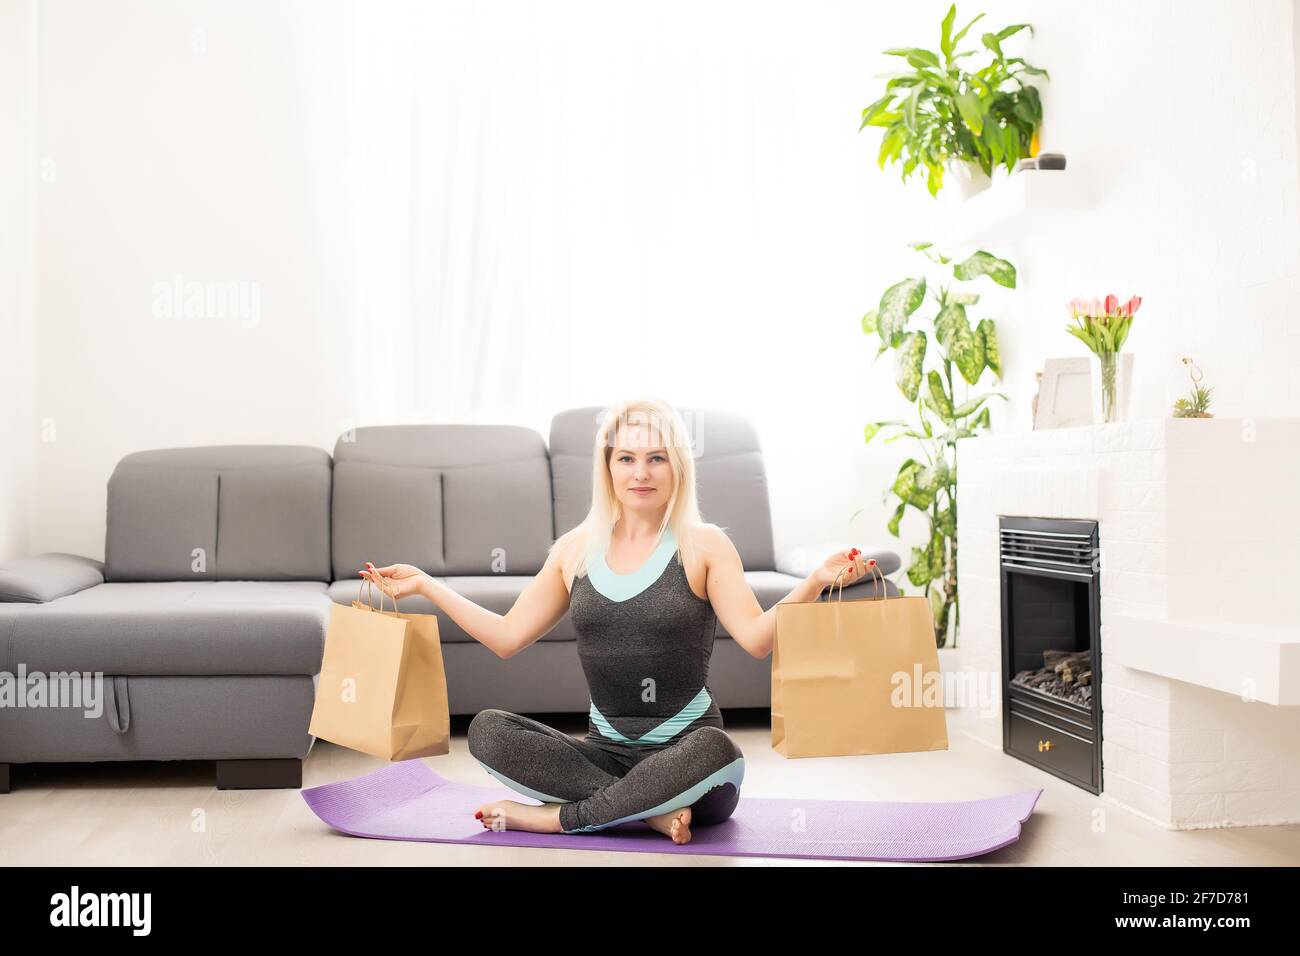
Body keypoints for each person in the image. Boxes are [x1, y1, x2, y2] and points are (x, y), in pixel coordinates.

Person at [362, 398, 874, 844]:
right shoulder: (575, 552)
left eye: (656, 458)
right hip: (603, 757)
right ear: (607, 468)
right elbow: (506, 636)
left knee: (718, 749)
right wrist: (428, 585)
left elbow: (757, 640)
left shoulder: (705, 546)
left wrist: (812, 584)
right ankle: (647, 815)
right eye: (626, 458)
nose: (641, 473)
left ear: (677, 467)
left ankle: (557, 820)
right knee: (488, 731)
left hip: (690, 763)